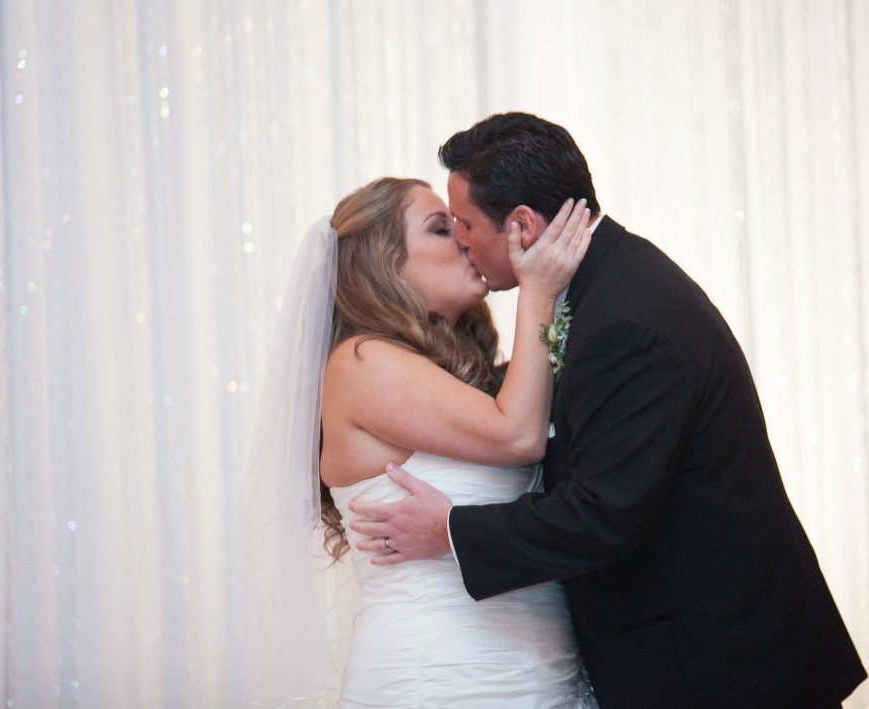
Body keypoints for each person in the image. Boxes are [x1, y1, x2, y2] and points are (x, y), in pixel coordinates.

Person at [348, 113, 867, 707]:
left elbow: (600, 516)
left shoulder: (624, 317)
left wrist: (448, 530)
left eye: (463, 222)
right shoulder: (601, 286)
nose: (463, 239)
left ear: (521, 225)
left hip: (721, 666)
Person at [243, 175, 597, 707]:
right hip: (438, 678)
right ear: (384, 266)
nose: (464, 237)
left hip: (540, 677)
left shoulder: (472, 377)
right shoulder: (362, 364)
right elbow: (518, 435)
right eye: (440, 228)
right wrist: (539, 290)